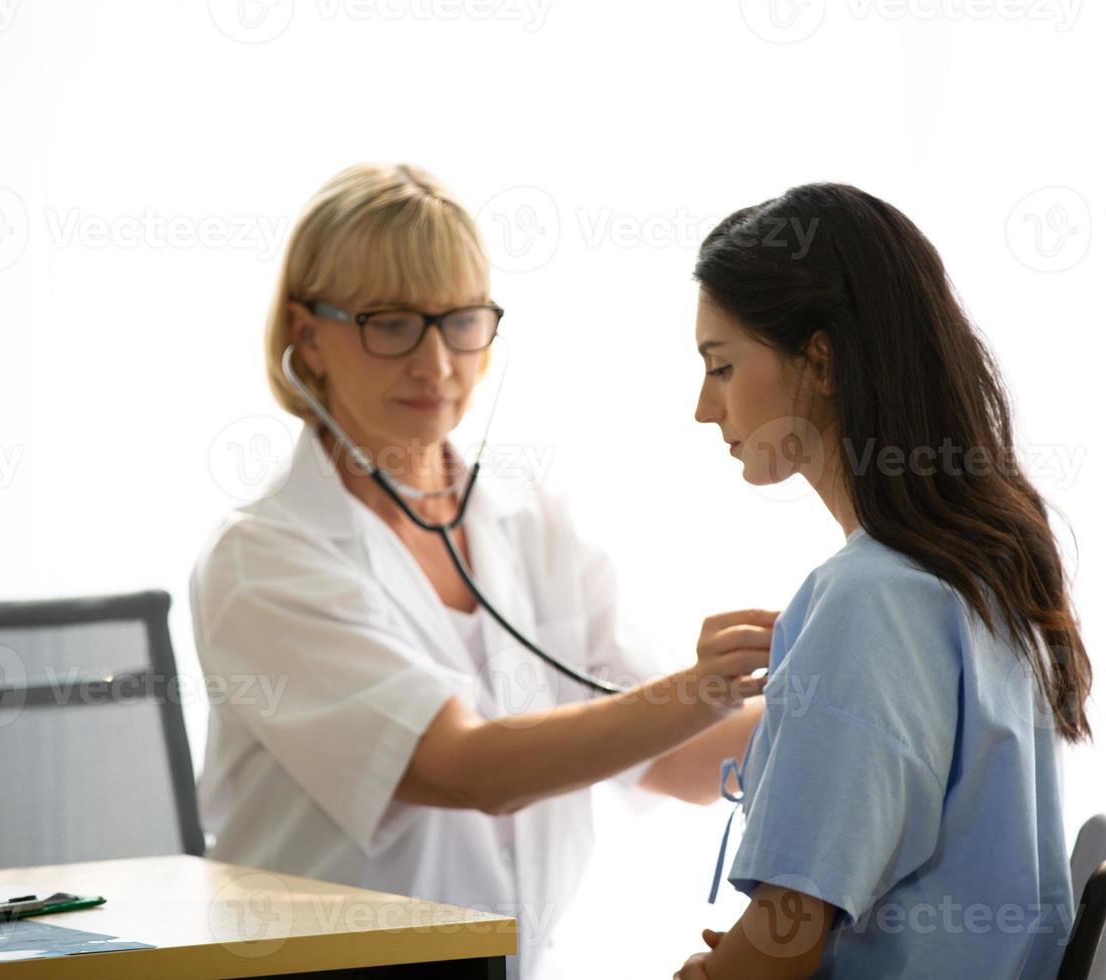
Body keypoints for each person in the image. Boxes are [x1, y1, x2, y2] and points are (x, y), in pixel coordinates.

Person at [190, 162, 771, 980]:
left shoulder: (533, 520)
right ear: (307, 336)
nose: (435, 362)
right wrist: (704, 686)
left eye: (461, 321)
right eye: (390, 323)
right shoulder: (263, 560)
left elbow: (676, 757)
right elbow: (471, 769)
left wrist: (856, 692)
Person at [677, 183, 1093, 979]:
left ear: (822, 361)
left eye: (722, 367)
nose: (704, 408)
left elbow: (780, 945)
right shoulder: (980, 573)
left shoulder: (870, 600)